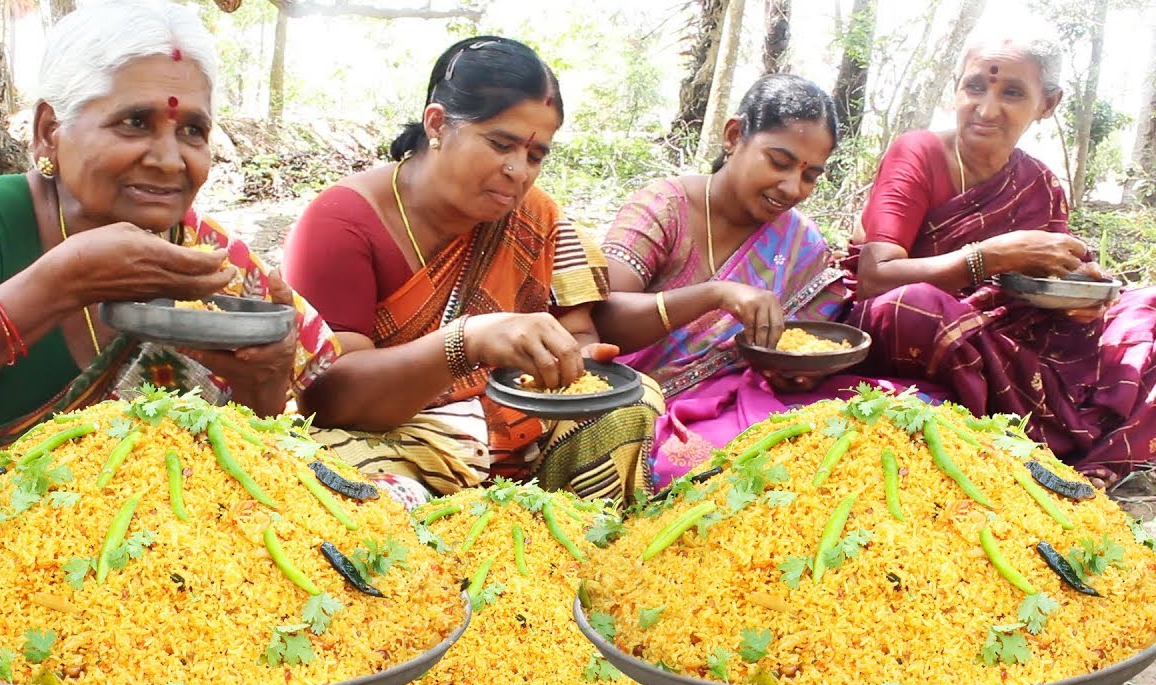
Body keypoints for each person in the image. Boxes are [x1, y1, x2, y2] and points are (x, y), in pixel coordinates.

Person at [0, 2, 337, 685]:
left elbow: (253, 457)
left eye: (192, 130)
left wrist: (267, 383)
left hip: (163, 560)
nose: (168, 155)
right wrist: (49, 289)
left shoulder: (215, 260)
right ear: (48, 132)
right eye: (134, 122)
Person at [284, 36, 662, 506]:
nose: (518, 171)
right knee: (344, 481)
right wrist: (467, 342)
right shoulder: (342, 221)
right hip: (386, 438)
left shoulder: (535, 218)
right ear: (437, 124)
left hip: (504, 422)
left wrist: (574, 361)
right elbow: (328, 400)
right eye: (500, 144)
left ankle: (571, 547)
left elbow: (576, 332)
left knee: (631, 401)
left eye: (536, 155)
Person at [845, 29, 1156, 486]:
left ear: (1047, 104)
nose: (987, 109)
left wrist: (1083, 293)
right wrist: (990, 256)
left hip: (1005, 332)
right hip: (921, 325)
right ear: (956, 89)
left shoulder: (1041, 183)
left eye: (1012, 92)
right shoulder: (919, 153)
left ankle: (1083, 456)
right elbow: (875, 278)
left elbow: (1046, 284)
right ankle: (1044, 435)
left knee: (1146, 308)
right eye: (975, 86)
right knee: (912, 306)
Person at [593, 75, 862, 489]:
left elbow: (807, 340)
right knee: (704, 471)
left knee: (857, 436)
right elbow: (603, 319)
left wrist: (798, 373)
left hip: (743, 395)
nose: (792, 187)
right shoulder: (666, 207)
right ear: (734, 136)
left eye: (810, 175)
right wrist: (716, 295)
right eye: (780, 161)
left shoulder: (801, 245)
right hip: (638, 402)